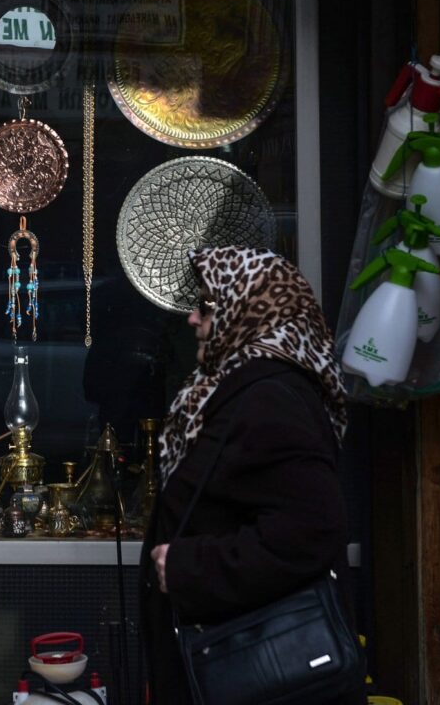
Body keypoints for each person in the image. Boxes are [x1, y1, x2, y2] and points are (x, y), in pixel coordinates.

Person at [139, 245, 365, 704]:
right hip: (233, 659)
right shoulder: (235, 386)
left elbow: (309, 533)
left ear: (246, 312)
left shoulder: (270, 398)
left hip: (258, 669)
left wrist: (187, 567)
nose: (192, 319)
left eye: (205, 306)